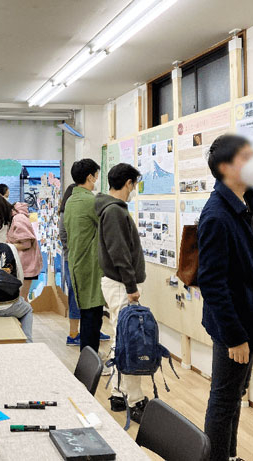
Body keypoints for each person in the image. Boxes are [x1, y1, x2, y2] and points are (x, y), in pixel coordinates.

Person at [197, 134, 253, 461]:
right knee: (224, 399)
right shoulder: (215, 214)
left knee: (234, 394)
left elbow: (252, 243)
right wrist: (234, 337)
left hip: (250, 314)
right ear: (227, 167)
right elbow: (212, 283)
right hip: (233, 324)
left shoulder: (247, 198)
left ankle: (229, 455)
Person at [95, 163, 148, 422]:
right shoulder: (114, 212)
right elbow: (120, 253)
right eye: (134, 184)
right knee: (130, 341)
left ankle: (118, 393)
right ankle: (134, 398)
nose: (134, 190)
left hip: (116, 283)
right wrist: (131, 287)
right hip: (120, 285)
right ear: (128, 183)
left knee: (121, 339)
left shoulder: (110, 209)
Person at [64, 158, 106, 353]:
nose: (97, 179)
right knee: (92, 316)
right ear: (90, 177)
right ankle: (91, 361)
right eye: (96, 175)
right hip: (89, 265)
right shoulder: (91, 201)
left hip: (75, 263)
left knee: (87, 313)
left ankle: (88, 360)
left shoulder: (71, 200)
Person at [6, 199, 43, 301]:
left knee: (21, 300)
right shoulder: (20, 217)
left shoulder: (18, 219)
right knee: (22, 299)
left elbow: (26, 244)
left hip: (26, 265)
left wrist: (8, 245)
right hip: (27, 265)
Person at [59, 184, 82, 346]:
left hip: (73, 259)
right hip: (72, 259)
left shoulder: (67, 213)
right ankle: (73, 334)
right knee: (75, 296)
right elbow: (65, 237)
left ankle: (86, 330)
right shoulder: (66, 213)